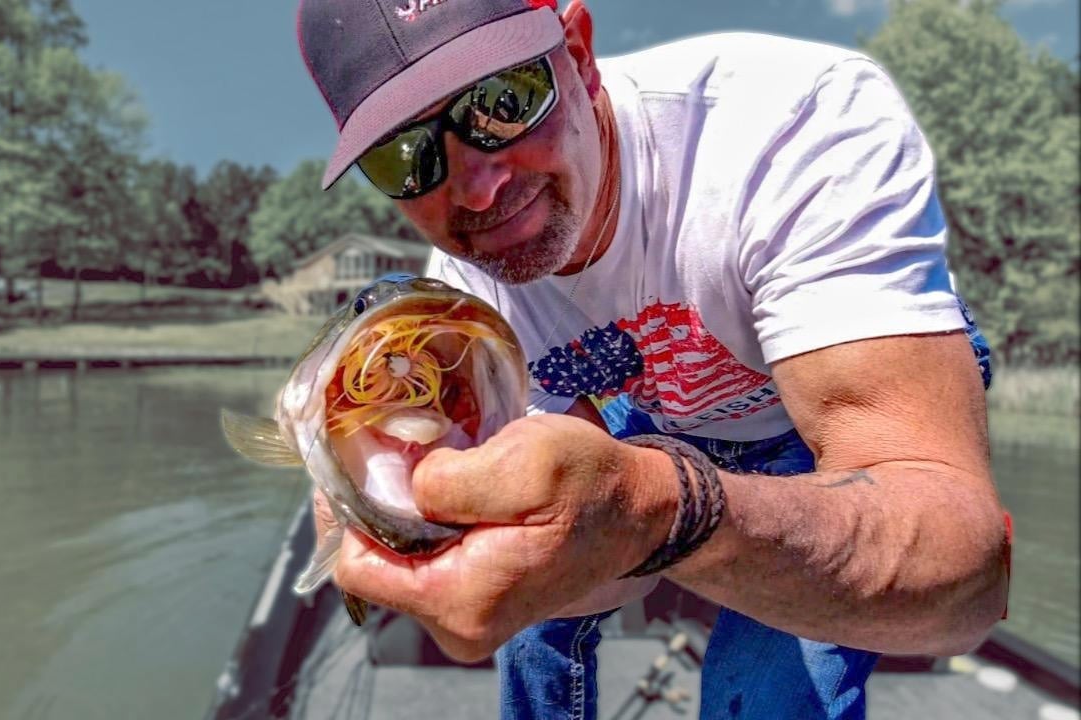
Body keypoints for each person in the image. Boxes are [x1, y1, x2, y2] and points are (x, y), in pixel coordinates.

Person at [295, 0, 1010, 718]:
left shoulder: (793, 125)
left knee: (767, 696)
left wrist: (656, 512)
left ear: (579, 56)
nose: (478, 190)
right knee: (530, 623)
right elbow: (599, 564)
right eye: (407, 157)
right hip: (662, 411)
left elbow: (961, 579)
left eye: (503, 103)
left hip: (813, 432)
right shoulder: (462, 302)